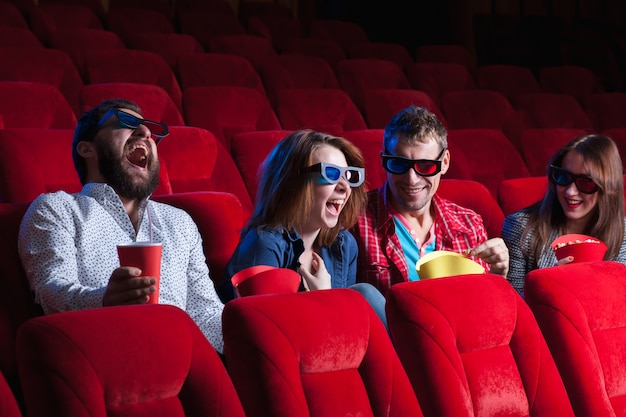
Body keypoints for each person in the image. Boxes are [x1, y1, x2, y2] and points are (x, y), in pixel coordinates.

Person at [18, 99, 225, 353]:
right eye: (126, 123)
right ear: (87, 149)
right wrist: (104, 300)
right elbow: (51, 293)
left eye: (149, 130)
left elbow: (205, 315)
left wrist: (257, 323)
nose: (146, 133)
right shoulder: (56, 208)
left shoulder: (180, 222)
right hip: (103, 357)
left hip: (182, 360)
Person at [223, 130, 387, 326]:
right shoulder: (263, 245)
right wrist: (323, 300)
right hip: (284, 350)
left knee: (365, 293)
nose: (345, 187)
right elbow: (266, 338)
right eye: (331, 173)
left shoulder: (343, 245)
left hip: (336, 346)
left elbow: (345, 325)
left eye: (349, 175)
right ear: (295, 182)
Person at [352, 105, 509, 295]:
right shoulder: (353, 218)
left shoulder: (470, 224)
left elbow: (482, 305)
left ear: (444, 163)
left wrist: (498, 277)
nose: (412, 179)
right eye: (399, 164)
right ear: (384, 160)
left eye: (425, 166)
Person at [502, 133, 626, 294]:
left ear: (607, 188)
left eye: (585, 182)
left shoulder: (624, 234)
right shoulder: (520, 227)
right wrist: (550, 286)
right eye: (563, 177)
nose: (570, 191)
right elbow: (514, 305)